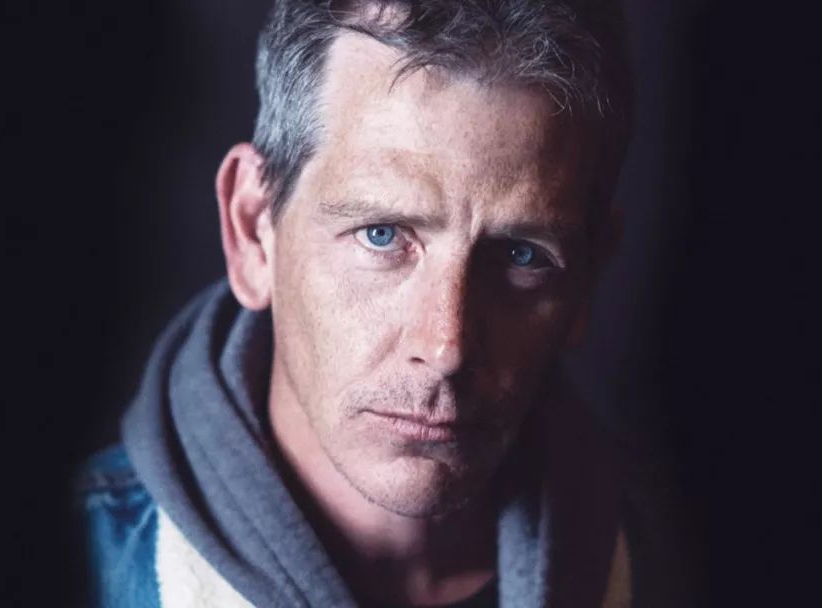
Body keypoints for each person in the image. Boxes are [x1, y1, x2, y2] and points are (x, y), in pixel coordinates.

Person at [77, 1, 651, 606]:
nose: (446, 346)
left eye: (520, 255)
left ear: (589, 278)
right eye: (382, 235)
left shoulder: (670, 563)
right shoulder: (63, 571)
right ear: (252, 232)